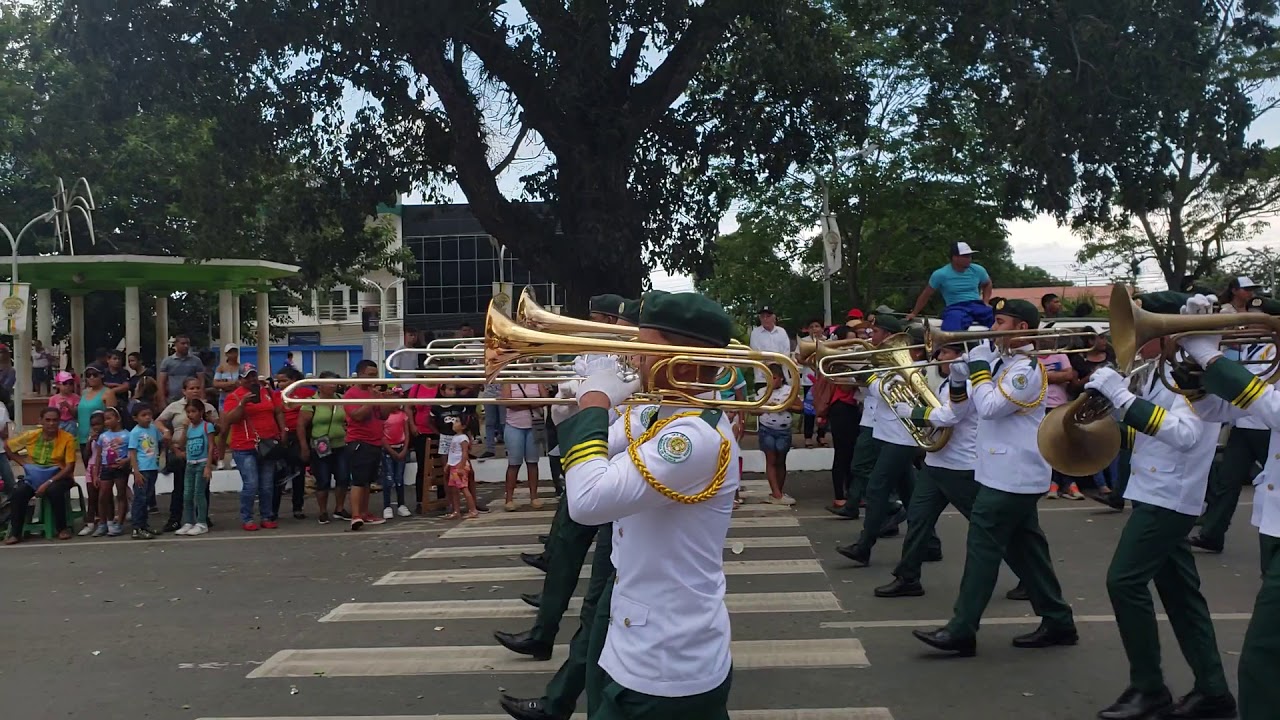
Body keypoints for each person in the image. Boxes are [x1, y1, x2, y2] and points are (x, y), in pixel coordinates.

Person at [549, 291, 741, 718]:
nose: (633, 359)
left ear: (683, 361)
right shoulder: (658, 412)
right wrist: (574, 397)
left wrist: (595, 402)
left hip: (669, 658)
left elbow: (586, 500)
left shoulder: (694, 438)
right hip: (633, 642)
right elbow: (594, 446)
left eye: (644, 348)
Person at [1083, 294, 1235, 720]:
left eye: (1141, 328)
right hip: (1153, 489)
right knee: (1182, 597)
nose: (1131, 338)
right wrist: (1109, 400)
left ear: (1165, 332)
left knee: (1124, 582)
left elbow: (1186, 435)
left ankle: (1148, 688)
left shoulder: (1190, 373)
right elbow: (1144, 430)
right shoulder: (1155, 371)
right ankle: (1214, 691)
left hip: (1171, 495)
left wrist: (1124, 400)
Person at [495, 294, 647, 712]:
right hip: (595, 475)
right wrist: (571, 409)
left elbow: (623, 437)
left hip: (617, 491)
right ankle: (547, 645)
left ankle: (560, 700)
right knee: (571, 567)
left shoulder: (654, 387)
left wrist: (594, 403)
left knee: (599, 609)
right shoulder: (613, 365)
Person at [912, 298, 1077, 656]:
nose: (992, 328)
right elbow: (961, 410)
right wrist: (958, 377)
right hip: (998, 472)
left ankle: (962, 628)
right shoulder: (1000, 364)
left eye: (1000, 322)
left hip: (1013, 474)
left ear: (1021, 328)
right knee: (1028, 550)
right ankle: (1059, 620)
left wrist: (979, 369)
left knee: (983, 549)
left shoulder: (1027, 368)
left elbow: (991, 407)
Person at [1170, 292, 1280, 719]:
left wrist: (1213, 357)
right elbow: (1218, 410)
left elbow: (1271, 409)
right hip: (1272, 524)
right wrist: (1192, 361)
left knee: (1263, 657)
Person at [875, 343, 981, 597]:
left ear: (960, 357)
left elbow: (949, 416)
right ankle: (908, 576)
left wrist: (913, 412)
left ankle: (1027, 577)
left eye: (945, 353)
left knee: (988, 526)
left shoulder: (967, 385)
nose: (939, 357)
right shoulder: (947, 384)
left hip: (961, 466)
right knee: (918, 520)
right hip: (935, 464)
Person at [836, 316, 924, 567]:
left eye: (874, 331)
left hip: (900, 436)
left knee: (876, 489)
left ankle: (864, 546)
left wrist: (866, 374)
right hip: (888, 433)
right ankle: (931, 544)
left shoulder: (904, 363)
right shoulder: (887, 361)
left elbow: (887, 393)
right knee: (910, 493)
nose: (869, 335)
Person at [222, 363, 286, 531]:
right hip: (244, 446)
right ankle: (247, 518)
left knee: (267, 484)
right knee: (251, 483)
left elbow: (278, 410)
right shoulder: (234, 397)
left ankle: (266, 516)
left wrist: (282, 429)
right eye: (247, 376)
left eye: (253, 375)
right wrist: (242, 404)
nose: (251, 379)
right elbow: (229, 419)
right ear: (241, 379)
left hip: (268, 444)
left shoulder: (266, 392)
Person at [3, 407, 79, 544]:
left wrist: (48, 482)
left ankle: (62, 528)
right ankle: (16, 533)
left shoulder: (67, 438)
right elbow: (8, 446)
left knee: (54, 491)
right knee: (19, 492)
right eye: (48, 420)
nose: (51, 424)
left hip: (59, 475)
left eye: (55, 420)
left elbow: (69, 467)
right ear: (41, 421)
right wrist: (24, 464)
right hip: (35, 476)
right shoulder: (32, 435)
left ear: (59, 421)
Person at [155, 377, 219, 533]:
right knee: (181, 489)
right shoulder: (175, 407)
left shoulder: (208, 407)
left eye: (198, 387)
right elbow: (158, 421)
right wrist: (166, 432)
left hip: (202, 453)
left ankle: (202, 519)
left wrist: (213, 422)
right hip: (181, 452)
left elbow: (218, 429)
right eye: (191, 388)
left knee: (201, 489)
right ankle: (176, 519)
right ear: (184, 391)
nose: (195, 391)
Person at [815, 325, 863, 516]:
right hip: (841, 408)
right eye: (849, 341)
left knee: (852, 453)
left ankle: (852, 495)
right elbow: (844, 387)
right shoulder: (838, 361)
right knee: (842, 454)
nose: (852, 345)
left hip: (852, 409)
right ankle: (839, 496)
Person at [905, 242, 994, 331]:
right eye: (965, 256)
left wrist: (985, 301)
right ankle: (954, 345)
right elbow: (926, 294)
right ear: (955, 258)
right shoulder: (940, 274)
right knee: (951, 327)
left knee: (999, 317)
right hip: (956, 307)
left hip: (976, 304)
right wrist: (914, 313)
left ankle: (997, 343)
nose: (969, 259)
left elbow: (987, 283)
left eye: (970, 256)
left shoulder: (978, 270)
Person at [341, 359, 387, 530]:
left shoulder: (374, 392)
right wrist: (372, 399)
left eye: (375, 375)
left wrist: (389, 400)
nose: (373, 379)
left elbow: (383, 415)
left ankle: (365, 512)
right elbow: (357, 416)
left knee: (368, 481)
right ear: (360, 374)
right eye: (370, 375)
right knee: (358, 481)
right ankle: (356, 515)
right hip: (359, 441)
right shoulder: (350, 395)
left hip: (375, 441)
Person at [298, 371, 349, 524]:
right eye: (329, 383)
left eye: (335, 383)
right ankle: (322, 511)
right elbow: (301, 425)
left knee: (343, 477)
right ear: (320, 385)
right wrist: (304, 447)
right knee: (323, 480)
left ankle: (339, 508)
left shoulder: (341, 399)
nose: (333, 386)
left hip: (340, 444)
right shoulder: (311, 402)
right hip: (320, 446)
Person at [755, 363, 801, 505]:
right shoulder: (763, 392)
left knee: (781, 460)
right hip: (767, 428)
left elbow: (800, 407)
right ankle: (776, 493)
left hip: (783, 430)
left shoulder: (789, 391)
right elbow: (753, 410)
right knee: (771, 459)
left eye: (774, 378)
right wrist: (767, 405)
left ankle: (778, 491)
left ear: (781, 378)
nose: (771, 381)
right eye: (769, 378)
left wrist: (785, 406)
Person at [501, 381, 547, 511]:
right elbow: (507, 403)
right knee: (514, 463)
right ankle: (509, 499)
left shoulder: (537, 382)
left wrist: (519, 403)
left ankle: (534, 496)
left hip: (534, 426)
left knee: (533, 462)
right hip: (513, 425)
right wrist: (532, 403)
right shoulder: (508, 383)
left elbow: (545, 400)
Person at [175, 399, 218, 536]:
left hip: (202, 462)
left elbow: (211, 446)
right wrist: (185, 429)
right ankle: (188, 521)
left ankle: (201, 522)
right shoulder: (189, 428)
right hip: (190, 463)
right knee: (187, 494)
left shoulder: (207, 426)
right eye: (188, 412)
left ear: (201, 412)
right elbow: (181, 444)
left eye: (193, 411)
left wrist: (208, 466)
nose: (190, 415)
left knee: (199, 494)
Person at [127, 403, 163, 540]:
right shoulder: (135, 432)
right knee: (140, 499)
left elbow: (160, 441)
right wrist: (136, 471)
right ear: (135, 418)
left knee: (147, 498)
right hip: (142, 469)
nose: (147, 418)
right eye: (143, 415)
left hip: (152, 467)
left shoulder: (153, 429)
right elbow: (132, 453)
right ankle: (137, 527)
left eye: (149, 414)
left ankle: (144, 524)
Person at [94, 408, 131, 536]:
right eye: (105, 419)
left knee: (121, 495)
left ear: (118, 418)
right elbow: (98, 456)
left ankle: (119, 523)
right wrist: (96, 474)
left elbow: (133, 453)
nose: (107, 422)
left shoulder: (127, 435)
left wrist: (126, 461)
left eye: (110, 418)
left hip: (120, 468)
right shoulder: (103, 436)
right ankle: (103, 523)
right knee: (103, 495)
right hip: (106, 468)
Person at [381, 394, 414, 518]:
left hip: (401, 448)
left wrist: (405, 448)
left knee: (399, 478)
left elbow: (406, 432)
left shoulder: (402, 415)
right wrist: (391, 450)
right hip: (388, 450)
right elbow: (382, 435)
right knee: (388, 478)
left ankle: (401, 504)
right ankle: (387, 506)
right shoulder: (384, 417)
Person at [77, 410, 107, 537]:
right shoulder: (91, 438)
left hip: (103, 468)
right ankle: (90, 523)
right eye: (93, 425)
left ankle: (103, 521)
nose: (96, 427)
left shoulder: (107, 437)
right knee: (92, 497)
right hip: (91, 467)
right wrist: (90, 442)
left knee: (103, 497)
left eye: (98, 424)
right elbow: (86, 455)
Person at [157, 334, 205, 407]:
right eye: (183, 343)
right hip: (172, 400)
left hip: (192, 400)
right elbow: (161, 382)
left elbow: (201, 381)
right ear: (176, 345)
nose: (186, 346)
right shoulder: (167, 361)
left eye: (187, 344)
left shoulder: (196, 361)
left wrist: (202, 397)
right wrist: (162, 400)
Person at [444, 413, 477, 519]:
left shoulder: (463, 438)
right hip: (454, 466)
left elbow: (464, 453)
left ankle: (473, 510)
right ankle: (456, 511)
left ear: (463, 426)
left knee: (464, 488)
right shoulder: (455, 437)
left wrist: (461, 467)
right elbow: (453, 453)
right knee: (454, 489)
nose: (454, 423)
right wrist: (448, 464)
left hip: (460, 466)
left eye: (457, 421)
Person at [748, 305, 791, 386]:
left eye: (768, 316)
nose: (765, 319)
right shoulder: (755, 333)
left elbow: (786, 352)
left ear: (774, 317)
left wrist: (776, 364)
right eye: (762, 317)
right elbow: (756, 354)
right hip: (762, 378)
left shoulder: (782, 332)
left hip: (781, 376)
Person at [49, 371, 80, 437]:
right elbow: (50, 413)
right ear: (58, 385)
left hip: (71, 422)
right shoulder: (53, 399)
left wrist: (68, 406)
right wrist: (59, 409)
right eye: (65, 383)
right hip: (58, 423)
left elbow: (76, 414)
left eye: (71, 384)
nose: (68, 386)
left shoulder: (75, 397)